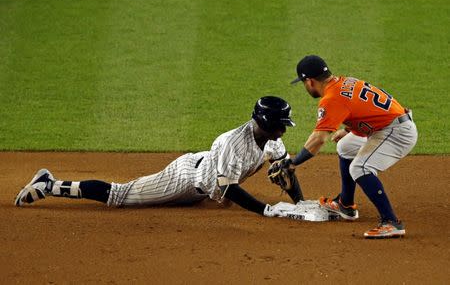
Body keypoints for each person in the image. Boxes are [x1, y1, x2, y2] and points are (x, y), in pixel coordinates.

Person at [15, 96, 303, 217]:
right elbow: (228, 188)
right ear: (265, 121)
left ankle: (50, 184)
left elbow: (284, 170)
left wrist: (300, 203)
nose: (284, 130)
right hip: (184, 179)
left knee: (221, 191)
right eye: (281, 124)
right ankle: (49, 184)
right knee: (120, 196)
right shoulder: (232, 143)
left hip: (204, 184)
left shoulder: (270, 141)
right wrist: (264, 210)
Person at [286, 55, 417, 238]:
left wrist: (293, 162)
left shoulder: (331, 98)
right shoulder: (344, 82)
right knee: (346, 146)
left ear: (310, 81)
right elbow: (366, 109)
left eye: (304, 83)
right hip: (388, 125)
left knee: (360, 167)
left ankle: (391, 222)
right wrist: (349, 130)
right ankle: (345, 205)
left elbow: (319, 139)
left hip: (397, 133)